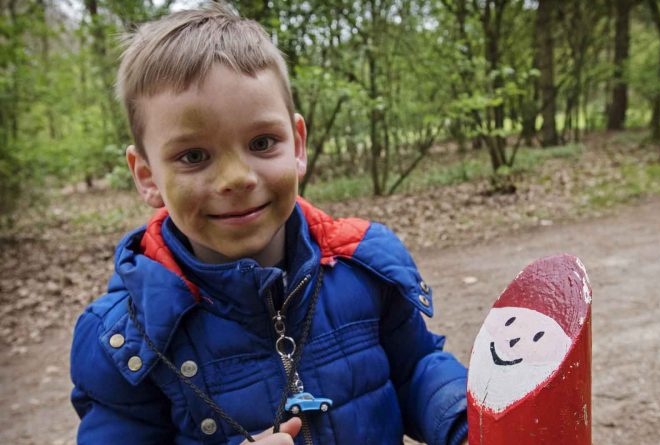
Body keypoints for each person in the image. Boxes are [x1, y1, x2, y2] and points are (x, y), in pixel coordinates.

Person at [69, 4, 468, 445]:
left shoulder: (364, 266)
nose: (237, 178)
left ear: (297, 144)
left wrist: (466, 422)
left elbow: (415, 369)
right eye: (193, 156)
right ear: (147, 176)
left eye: (262, 142)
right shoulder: (128, 338)